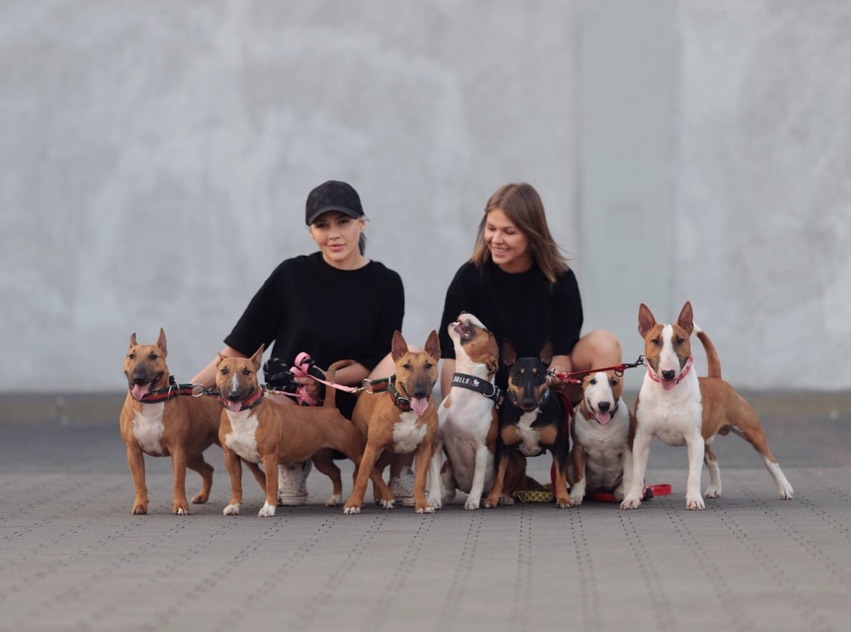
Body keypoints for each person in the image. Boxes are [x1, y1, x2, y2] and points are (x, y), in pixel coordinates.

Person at [191, 180, 416, 506]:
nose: (333, 234)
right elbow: (242, 344)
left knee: (408, 361)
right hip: (294, 399)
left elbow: (377, 356)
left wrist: (324, 380)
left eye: (343, 222)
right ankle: (292, 464)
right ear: (310, 232)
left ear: (361, 224)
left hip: (355, 395)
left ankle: (400, 472)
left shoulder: (387, 283)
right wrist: (188, 390)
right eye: (322, 225)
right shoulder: (291, 275)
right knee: (266, 406)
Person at [438, 181, 622, 413]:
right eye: (491, 228)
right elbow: (452, 357)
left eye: (509, 232)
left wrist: (555, 374)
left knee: (605, 343)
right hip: (488, 394)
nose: (496, 239)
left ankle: (593, 431)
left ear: (532, 233)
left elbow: (561, 355)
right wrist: (451, 418)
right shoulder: (469, 278)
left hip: (544, 387)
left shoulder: (560, 279)